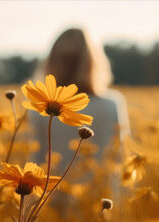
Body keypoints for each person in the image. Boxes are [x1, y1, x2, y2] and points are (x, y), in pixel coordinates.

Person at [28, 28, 130, 173]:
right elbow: (120, 156)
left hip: (50, 193)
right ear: (92, 62)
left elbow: (33, 161)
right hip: (103, 193)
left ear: (52, 61)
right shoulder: (112, 104)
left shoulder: (37, 108)